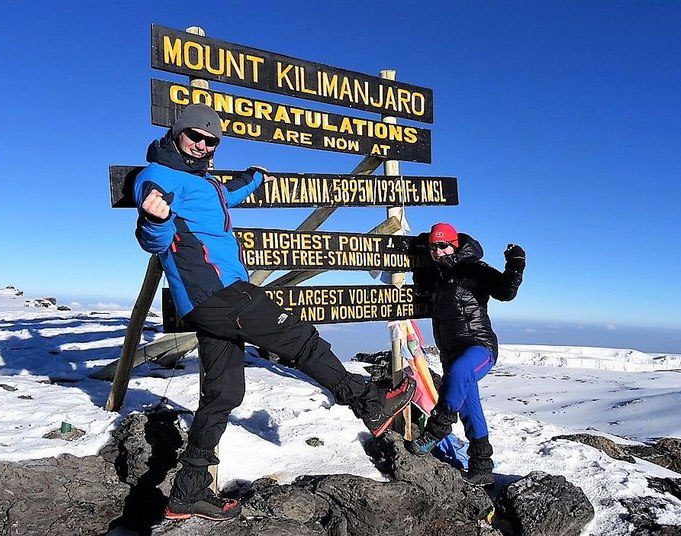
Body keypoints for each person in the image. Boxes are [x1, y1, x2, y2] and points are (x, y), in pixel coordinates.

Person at [132, 103, 416, 521]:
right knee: (300, 339)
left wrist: (254, 178)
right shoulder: (158, 177)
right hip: (219, 293)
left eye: (211, 140)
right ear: (177, 133)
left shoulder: (200, 181)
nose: (202, 144)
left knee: (224, 393)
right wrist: (152, 219)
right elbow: (153, 236)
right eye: (195, 136)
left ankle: (187, 493)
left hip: (210, 301)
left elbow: (224, 198)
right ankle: (368, 401)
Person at [407, 223, 525, 487]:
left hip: (479, 347)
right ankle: (482, 467)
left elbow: (505, 291)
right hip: (450, 353)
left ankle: (437, 429)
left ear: (455, 244)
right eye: (432, 247)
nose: (437, 252)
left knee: (461, 371)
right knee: (471, 410)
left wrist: (516, 264)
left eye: (443, 245)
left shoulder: (474, 269)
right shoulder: (433, 275)